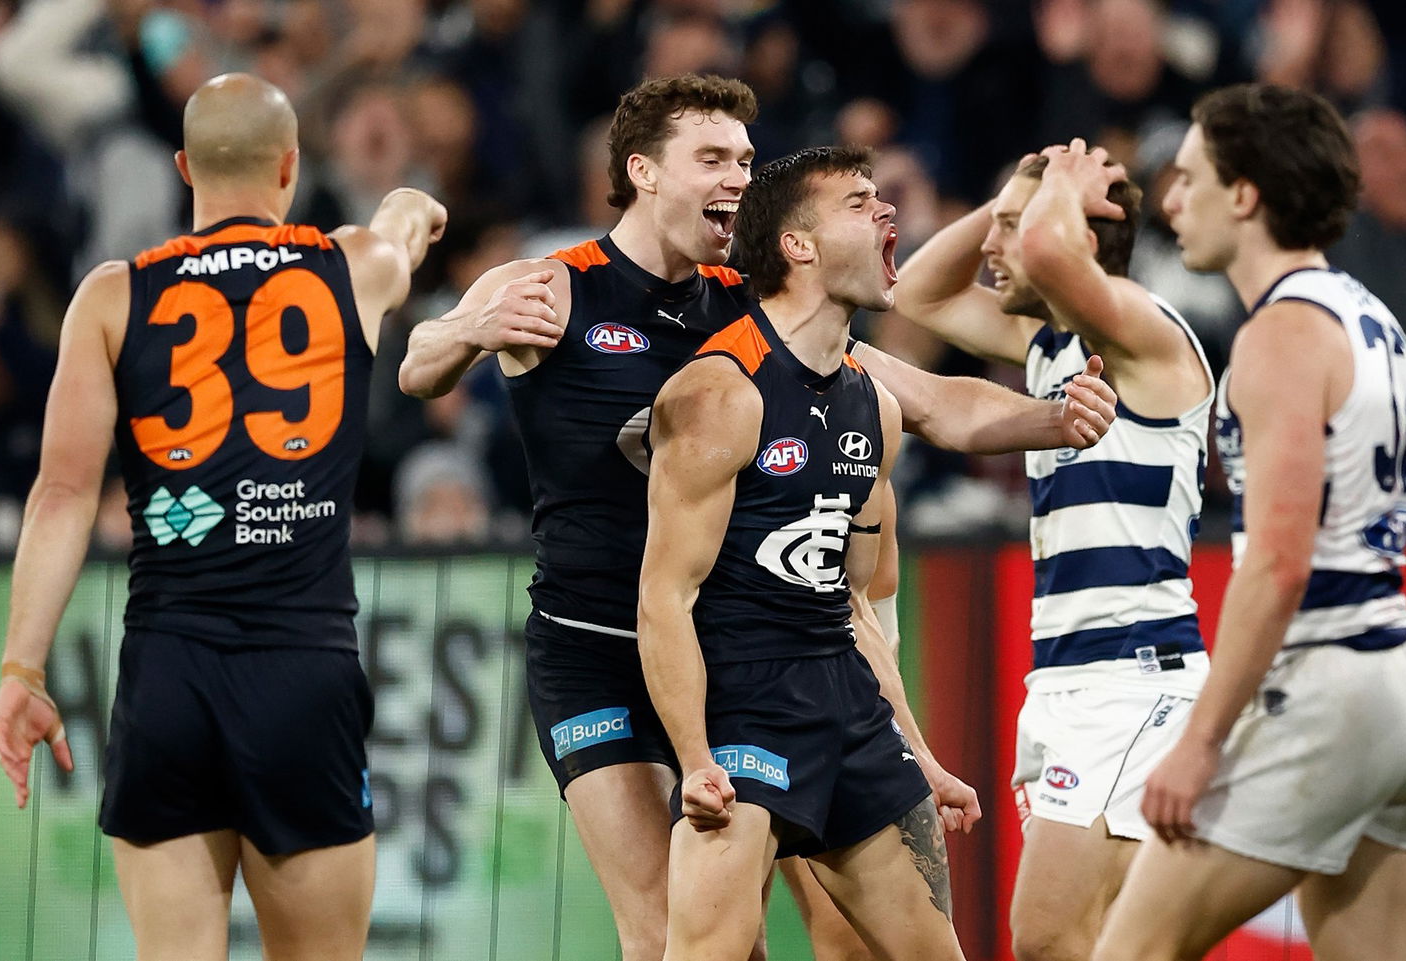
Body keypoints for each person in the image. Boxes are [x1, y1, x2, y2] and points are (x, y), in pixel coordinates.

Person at [397, 74, 1116, 961]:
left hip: (733, 651)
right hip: (598, 649)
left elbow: (926, 402)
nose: (737, 175)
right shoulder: (552, 285)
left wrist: (1055, 416)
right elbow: (416, 365)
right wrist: (470, 329)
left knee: (837, 935)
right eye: (711, 158)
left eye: (744, 157)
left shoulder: (745, 303)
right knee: (672, 926)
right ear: (644, 171)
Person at [0, 73, 447, 961]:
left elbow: (60, 496)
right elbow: (405, 227)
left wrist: (23, 666)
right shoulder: (351, 265)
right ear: (290, 169)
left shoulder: (114, 296)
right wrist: (408, 204)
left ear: (183, 170)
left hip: (170, 677)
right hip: (301, 675)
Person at [1093, 83, 1406, 961]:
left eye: (1190, 178)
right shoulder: (1369, 315)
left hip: (1327, 682)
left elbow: (1280, 564)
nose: (1172, 201)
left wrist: (1201, 740)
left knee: (1128, 952)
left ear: (1245, 193)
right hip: (1402, 683)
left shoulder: (1282, 334)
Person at [875, 139, 1215, 961]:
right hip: (1068, 681)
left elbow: (1045, 252)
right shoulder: (1048, 346)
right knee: (1110, 944)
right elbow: (916, 292)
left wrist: (1061, 186)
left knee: (1049, 936)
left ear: (1077, 233)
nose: (996, 246)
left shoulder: (1146, 331)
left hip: (1134, 680)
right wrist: (1009, 200)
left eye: (1012, 228)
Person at [637, 144, 971, 961]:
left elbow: (854, 601)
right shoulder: (718, 391)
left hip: (847, 704)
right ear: (798, 244)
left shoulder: (873, 407)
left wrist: (920, 752)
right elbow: (664, 597)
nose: (888, 211)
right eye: (860, 203)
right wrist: (694, 756)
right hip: (745, 702)